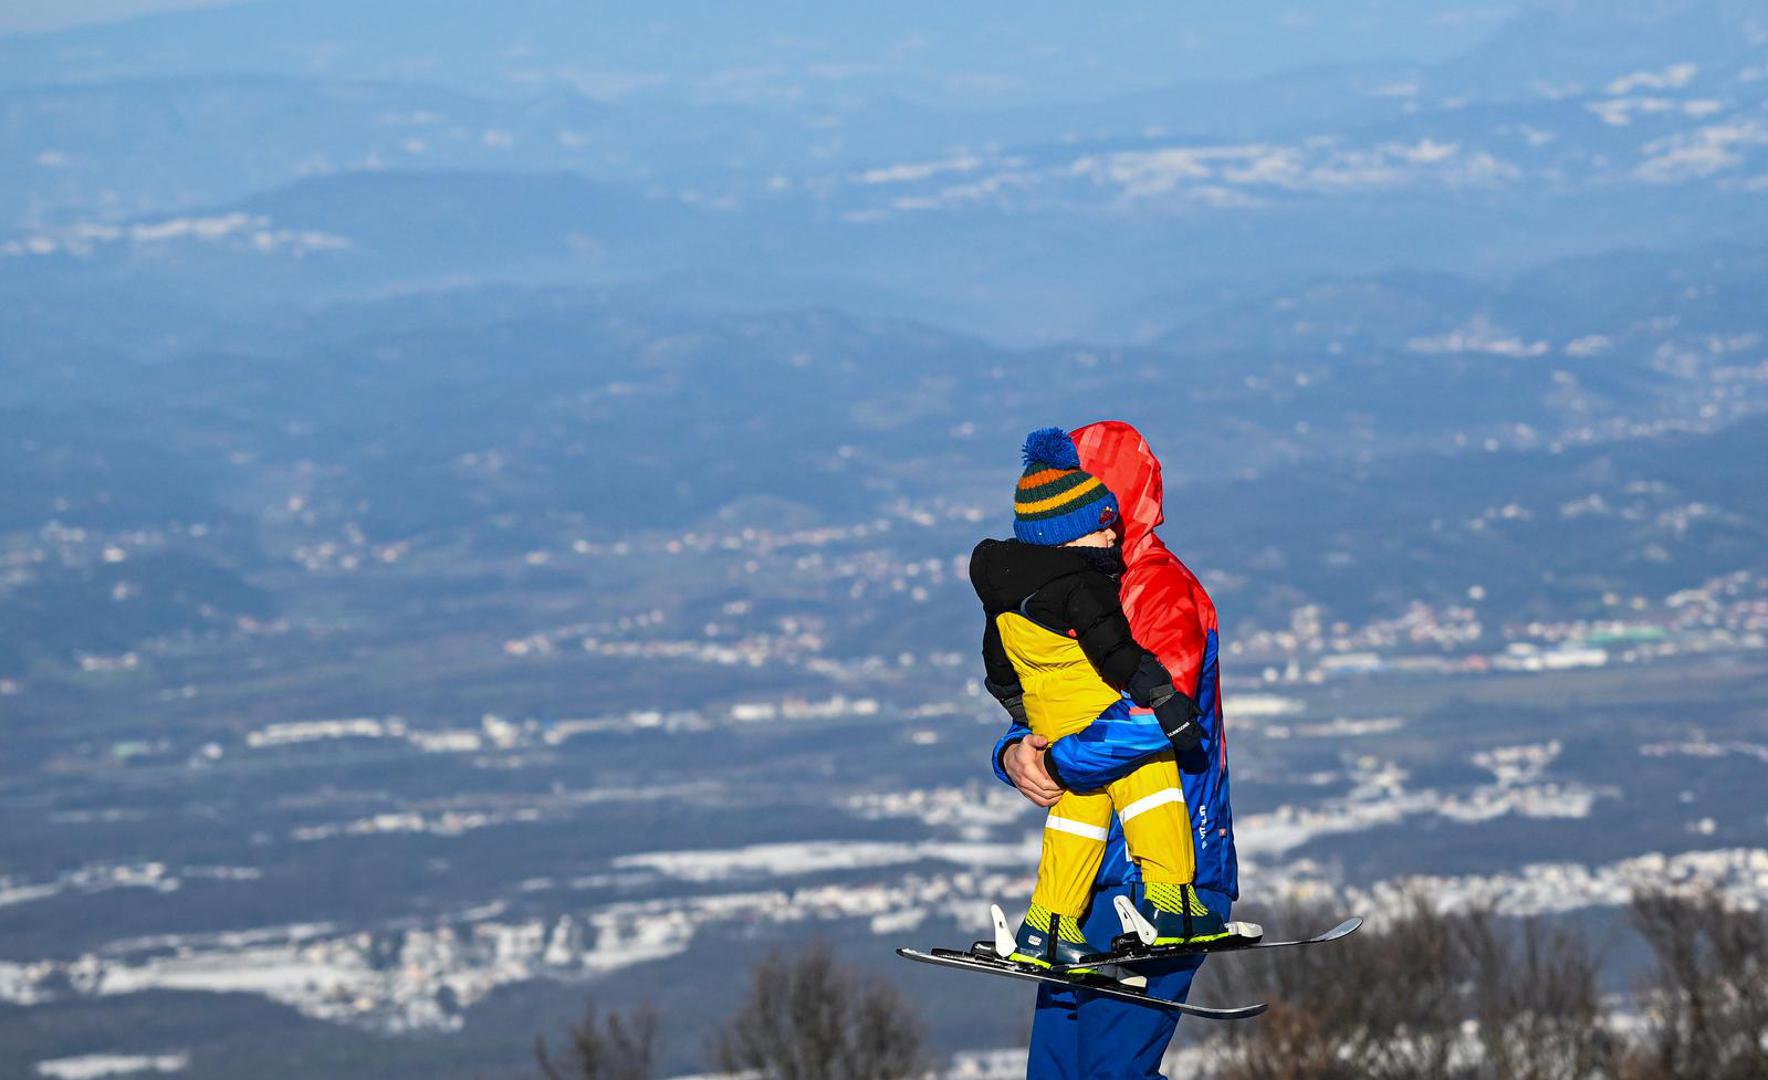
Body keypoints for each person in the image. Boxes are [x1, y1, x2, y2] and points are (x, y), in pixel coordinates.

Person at [987, 420, 1240, 1080]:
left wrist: (1058, 763)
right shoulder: (1068, 587)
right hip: (1088, 886)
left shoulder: (1158, 591)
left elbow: (1157, 718)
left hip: (1165, 880)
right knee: (1058, 1075)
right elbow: (1048, 700)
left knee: (1109, 1073)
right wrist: (1017, 751)